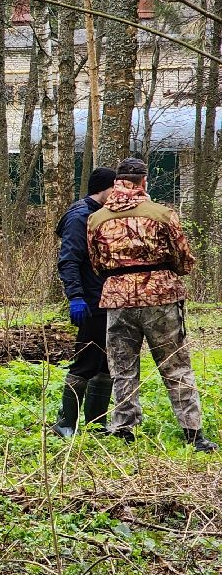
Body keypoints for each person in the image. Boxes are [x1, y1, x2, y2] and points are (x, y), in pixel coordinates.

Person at [87, 157, 216, 451]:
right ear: (143, 181)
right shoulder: (162, 214)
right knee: (175, 365)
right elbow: (184, 261)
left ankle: (124, 427)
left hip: (117, 297)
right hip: (160, 296)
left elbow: (96, 264)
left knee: (122, 365)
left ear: (116, 182)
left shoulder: (96, 219)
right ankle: (193, 434)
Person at [53, 167, 116, 438]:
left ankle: (96, 423)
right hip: (90, 301)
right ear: (103, 188)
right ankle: (66, 423)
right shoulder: (80, 216)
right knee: (87, 362)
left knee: (106, 363)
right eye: (114, 189)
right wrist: (76, 297)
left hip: (107, 299)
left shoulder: (100, 214)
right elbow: (69, 260)